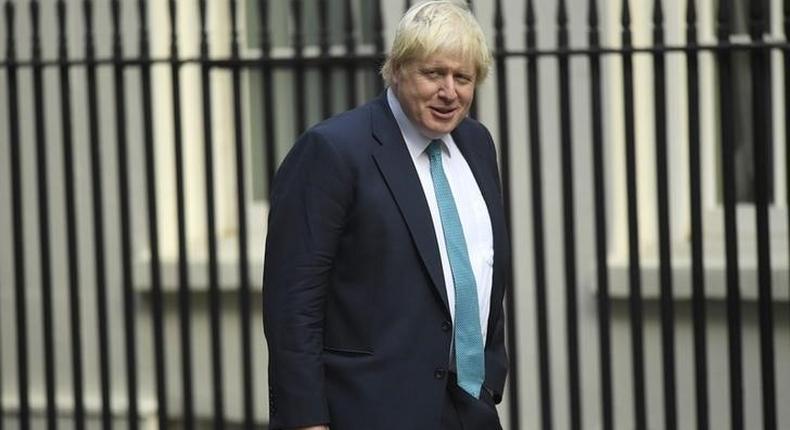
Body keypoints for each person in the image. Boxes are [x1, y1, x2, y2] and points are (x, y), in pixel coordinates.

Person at [262, 1, 509, 428]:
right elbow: (293, 304)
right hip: (368, 411)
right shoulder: (334, 151)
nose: (449, 91)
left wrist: (489, 374)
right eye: (433, 74)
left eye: (462, 77)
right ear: (396, 69)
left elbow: (482, 264)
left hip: (469, 409)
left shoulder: (477, 145)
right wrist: (306, 421)